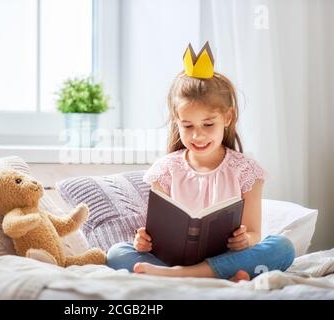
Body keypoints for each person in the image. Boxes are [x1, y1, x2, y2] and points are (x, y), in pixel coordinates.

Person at [106, 42, 295, 282]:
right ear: (177, 121)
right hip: (172, 260)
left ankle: (186, 277)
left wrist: (245, 240)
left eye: (208, 125)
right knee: (117, 253)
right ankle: (214, 278)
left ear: (228, 117)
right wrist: (143, 242)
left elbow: (255, 233)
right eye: (187, 126)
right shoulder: (165, 170)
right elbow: (154, 234)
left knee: (282, 246)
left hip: (225, 258)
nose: (198, 135)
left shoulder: (246, 171)